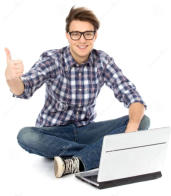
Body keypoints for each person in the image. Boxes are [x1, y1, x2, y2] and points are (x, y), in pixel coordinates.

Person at [5, 6, 150, 178]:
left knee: (142, 120)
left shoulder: (102, 61)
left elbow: (132, 96)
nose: (82, 40)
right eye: (76, 34)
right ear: (68, 36)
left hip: (86, 130)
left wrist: (133, 126)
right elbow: (24, 88)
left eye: (88, 33)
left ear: (95, 35)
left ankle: (75, 161)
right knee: (26, 136)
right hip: (53, 133)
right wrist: (12, 79)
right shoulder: (53, 59)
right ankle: (99, 152)